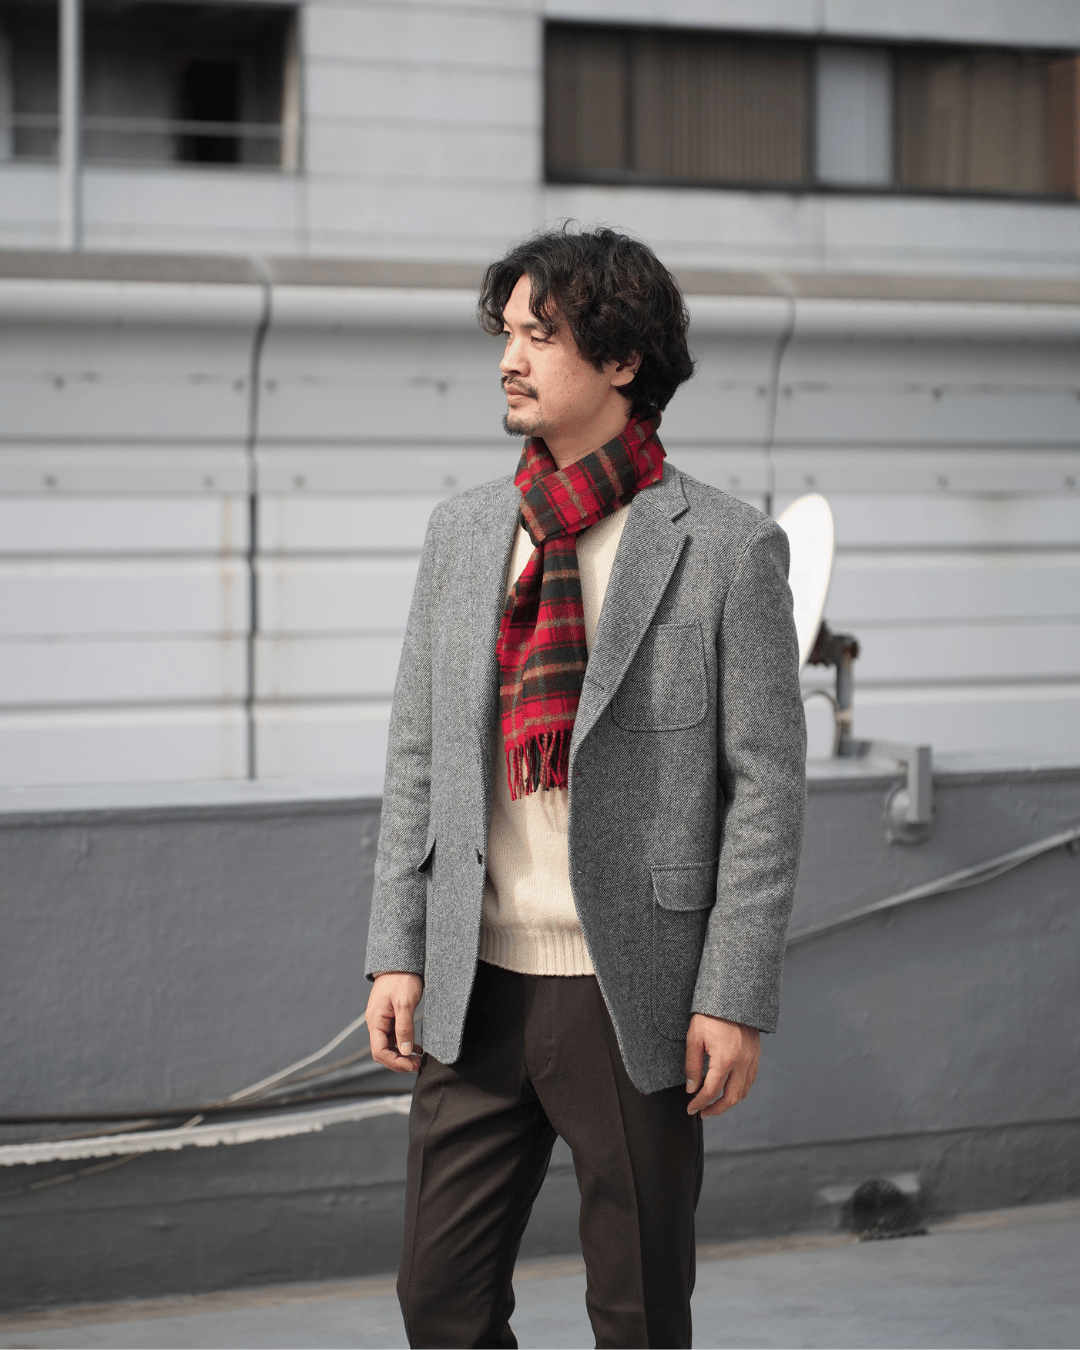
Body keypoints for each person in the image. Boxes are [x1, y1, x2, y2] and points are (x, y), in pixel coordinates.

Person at [364, 225, 806, 1350]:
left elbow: (765, 789)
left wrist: (732, 995)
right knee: (439, 1302)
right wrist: (397, 947)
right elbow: (417, 754)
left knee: (639, 1313)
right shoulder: (465, 534)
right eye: (506, 334)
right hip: (475, 982)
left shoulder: (725, 548)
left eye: (540, 336)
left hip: (632, 992)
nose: (508, 360)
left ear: (620, 360)